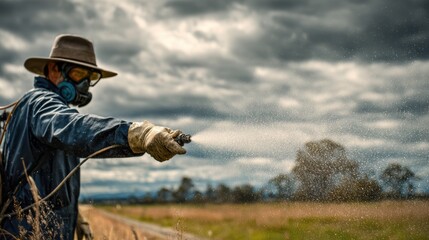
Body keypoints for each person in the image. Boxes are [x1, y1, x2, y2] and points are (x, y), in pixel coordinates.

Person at [0, 34, 187, 239]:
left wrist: (73, 217)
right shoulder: (40, 103)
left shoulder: (39, 109)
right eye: (80, 74)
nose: (85, 85)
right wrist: (138, 134)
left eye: (90, 78)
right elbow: (73, 127)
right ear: (54, 69)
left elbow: (47, 184)